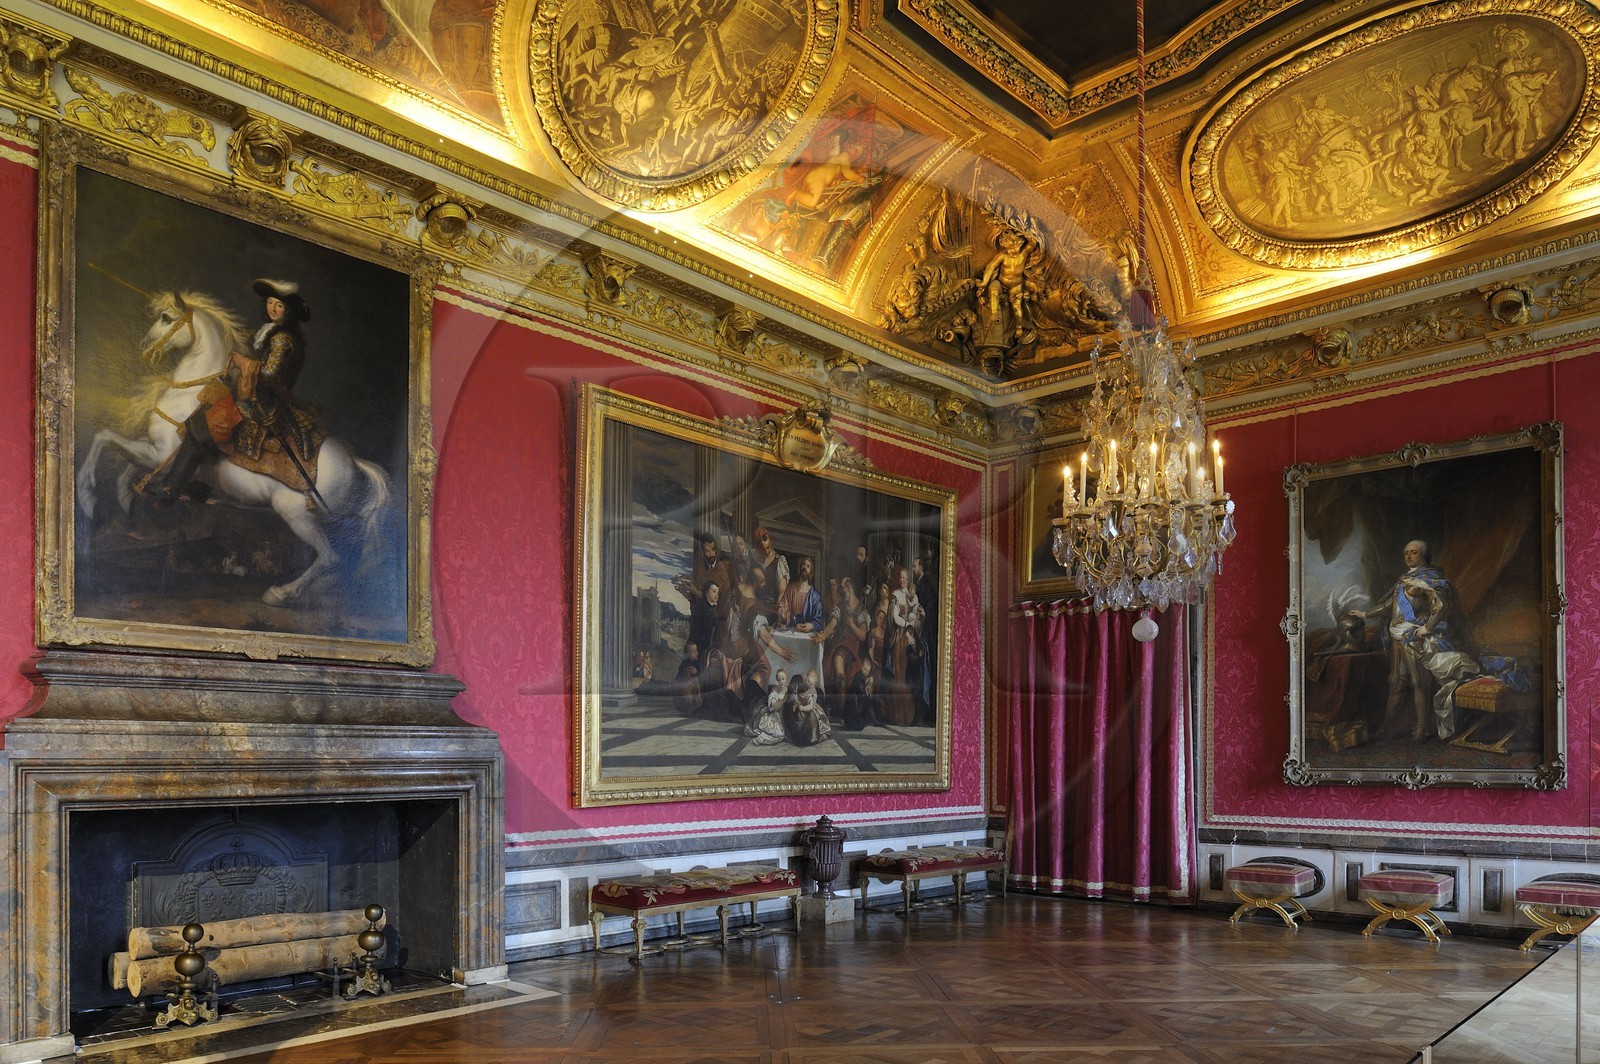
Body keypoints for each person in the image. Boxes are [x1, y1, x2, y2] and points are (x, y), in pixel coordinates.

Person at [148, 278, 321, 504]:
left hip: (265, 402)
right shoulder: (272, 332)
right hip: (261, 395)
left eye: (279, 306)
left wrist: (244, 363)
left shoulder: (282, 340)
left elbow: (269, 376)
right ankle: (199, 487)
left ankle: (170, 489)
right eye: (270, 302)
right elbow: (252, 339)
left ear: (287, 311)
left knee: (199, 427)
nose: (272, 308)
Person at [1351, 539, 1476, 741]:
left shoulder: (1430, 578)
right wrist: (1365, 615)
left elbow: (1443, 606)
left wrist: (1427, 627)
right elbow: (1389, 606)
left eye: (1414, 552)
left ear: (1423, 555)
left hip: (1414, 637)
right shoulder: (1403, 580)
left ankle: (1421, 729)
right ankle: (1388, 727)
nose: (1409, 556)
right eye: (1406, 553)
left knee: (1419, 681)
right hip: (1398, 636)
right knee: (1395, 681)